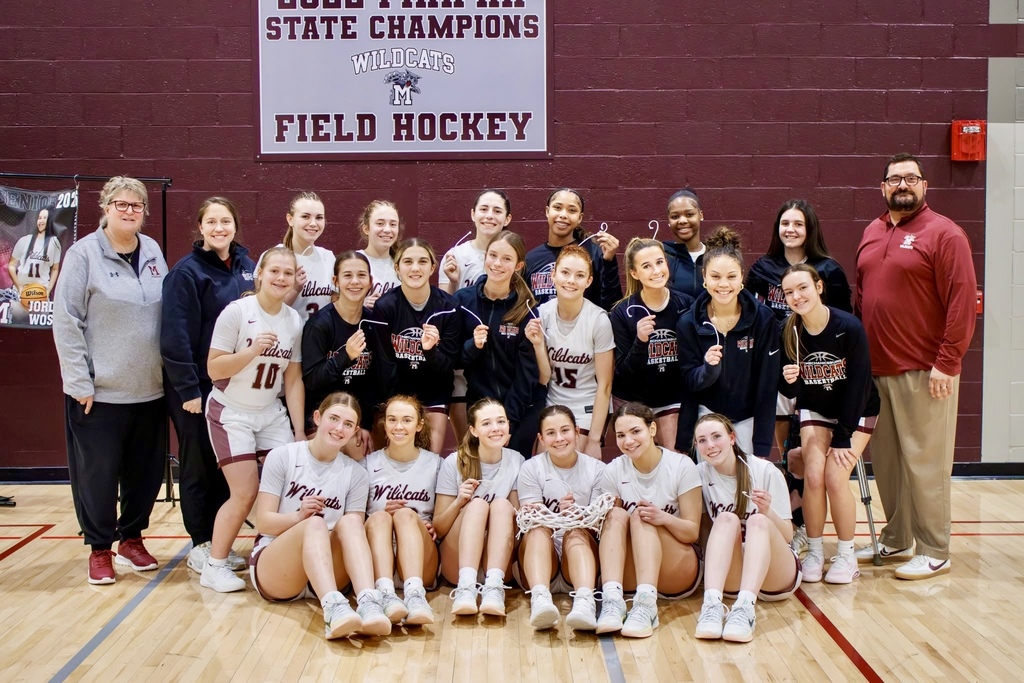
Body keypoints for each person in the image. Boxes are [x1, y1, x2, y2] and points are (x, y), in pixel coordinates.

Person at [855, 152, 977, 579]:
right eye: (894, 179)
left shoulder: (945, 234)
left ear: (925, 185)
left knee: (926, 463)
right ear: (882, 188)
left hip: (927, 371)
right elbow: (861, 297)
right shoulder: (872, 231)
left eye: (911, 178)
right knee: (887, 463)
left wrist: (948, 361)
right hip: (877, 371)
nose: (902, 184)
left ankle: (934, 547)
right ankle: (897, 537)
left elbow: (963, 301)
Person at [52, 176, 168, 584]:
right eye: (121, 204)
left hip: (149, 390)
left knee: (145, 473)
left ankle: (131, 539)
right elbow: (66, 321)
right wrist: (79, 381)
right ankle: (100, 547)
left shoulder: (152, 250)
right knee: (97, 475)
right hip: (98, 394)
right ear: (105, 207)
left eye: (137, 205)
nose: (130, 211)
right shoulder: (83, 254)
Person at [161, 197, 256, 576]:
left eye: (226, 221)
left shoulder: (248, 267)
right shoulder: (186, 274)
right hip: (198, 389)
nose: (219, 228)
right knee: (198, 464)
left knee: (225, 465)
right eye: (212, 222)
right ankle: (200, 542)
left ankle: (221, 541)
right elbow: (174, 337)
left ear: (235, 225)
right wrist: (188, 391)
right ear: (200, 228)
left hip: (234, 389)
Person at [202, 247, 306, 593]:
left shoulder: (293, 320)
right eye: (274, 271)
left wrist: (300, 430)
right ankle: (214, 565)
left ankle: (268, 555)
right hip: (231, 410)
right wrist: (251, 351)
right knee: (245, 492)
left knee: (287, 489)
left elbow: (292, 380)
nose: (280, 278)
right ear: (259, 273)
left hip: (270, 413)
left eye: (287, 274)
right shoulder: (237, 312)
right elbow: (214, 369)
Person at [250, 392, 392, 638]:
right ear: (317, 417)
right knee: (314, 523)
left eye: (348, 424)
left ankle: (368, 601)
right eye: (334, 419)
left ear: (355, 430)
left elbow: (353, 534)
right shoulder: (283, 456)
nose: (339, 428)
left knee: (350, 522)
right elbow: (263, 522)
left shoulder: (356, 474)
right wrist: (299, 517)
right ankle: (333, 609)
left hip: (329, 566)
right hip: (279, 564)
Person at [778, 264, 877, 584]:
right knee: (814, 474)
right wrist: (789, 382)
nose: (796, 296)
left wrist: (843, 436)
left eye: (802, 288)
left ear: (818, 287)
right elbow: (793, 392)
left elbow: (859, 384)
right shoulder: (789, 330)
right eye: (789, 292)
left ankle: (847, 555)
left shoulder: (848, 326)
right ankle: (817, 551)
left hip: (857, 409)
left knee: (835, 477)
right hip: (816, 411)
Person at [745, 199, 852, 465]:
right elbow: (747, 311)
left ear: (810, 229)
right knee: (782, 422)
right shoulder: (762, 267)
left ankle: (809, 485)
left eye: (798, 224)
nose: (790, 229)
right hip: (777, 358)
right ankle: (789, 472)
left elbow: (844, 321)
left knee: (810, 438)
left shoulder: (829, 269)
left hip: (817, 360)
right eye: (785, 223)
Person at [595, 402, 703, 638]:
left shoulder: (681, 465)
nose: (628, 441)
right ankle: (613, 599)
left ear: (652, 429)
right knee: (615, 514)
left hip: (678, 567)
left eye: (636, 431)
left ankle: (646, 606)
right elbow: (610, 531)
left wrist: (661, 518)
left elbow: (692, 532)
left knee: (642, 517)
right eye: (621, 435)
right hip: (634, 570)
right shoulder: (613, 471)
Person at [692, 413, 800, 643]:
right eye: (702, 440)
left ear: (732, 438)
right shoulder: (699, 474)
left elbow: (788, 536)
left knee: (758, 521)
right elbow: (702, 532)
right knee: (725, 519)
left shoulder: (764, 470)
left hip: (775, 574)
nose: (710, 445)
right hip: (734, 572)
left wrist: (767, 510)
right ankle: (711, 605)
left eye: (716, 436)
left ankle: (744, 609)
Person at [676, 227, 781, 457]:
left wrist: (762, 445)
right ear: (704, 277)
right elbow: (689, 383)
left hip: (748, 420)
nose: (723, 284)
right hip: (706, 418)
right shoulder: (688, 322)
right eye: (715, 276)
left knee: (747, 488)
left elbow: (767, 386)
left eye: (731, 276)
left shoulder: (763, 320)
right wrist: (708, 370)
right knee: (710, 490)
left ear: (742, 276)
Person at [452, 230, 548, 456]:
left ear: (518, 265)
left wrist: (508, 422)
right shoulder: (463, 301)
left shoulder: (526, 309)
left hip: (521, 408)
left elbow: (528, 374)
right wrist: (472, 346)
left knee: (514, 474)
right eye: (493, 256)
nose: (497, 263)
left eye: (506, 259)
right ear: (485, 256)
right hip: (480, 406)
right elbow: (453, 359)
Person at [516, 405, 605, 630]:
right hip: (541, 560)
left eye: (565, 430)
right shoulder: (531, 468)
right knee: (537, 529)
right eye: (551, 433)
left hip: (579, 560)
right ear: (541, 439)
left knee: (576, 531)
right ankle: (540, 599)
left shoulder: (597, 469)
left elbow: (600, 526)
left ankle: (585, 601)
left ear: (576, 432)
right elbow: (530, 517)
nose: (559, 439)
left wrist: (579, 515)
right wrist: (555, 515)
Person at [301, 251, 397, 457]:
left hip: (359, 417)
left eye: (361, 275)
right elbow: (312, 380)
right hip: (323, 415)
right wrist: (346, 355)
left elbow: (375, 381)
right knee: (349, 452)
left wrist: (363, 423)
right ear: (336, 281)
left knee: (375, 447)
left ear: (370, 281)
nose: (355, 281)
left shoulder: (374, 323)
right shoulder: (320, 324)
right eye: (347, 275)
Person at [433, 398, 523, 618]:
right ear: (473, 430)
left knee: (502, 506)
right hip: (458, 561)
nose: (495, 428)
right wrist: (459, 502)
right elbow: (439, 528)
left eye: (501, 421)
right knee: (478, 505)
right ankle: (466, 588)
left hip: (500, 563)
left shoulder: (517, 460)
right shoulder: (454, 462)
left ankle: (494, 588)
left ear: (508, 425)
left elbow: (520, 527)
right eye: (486, 423)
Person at [372, 238, 461, 453]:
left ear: (432, 267)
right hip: (396, 393)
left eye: (422, 262)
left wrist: (430, 351)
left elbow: (448, 365)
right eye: (408, 262)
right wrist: (398, 406)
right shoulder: (384, 307)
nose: (415, 268)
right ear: (397, 268)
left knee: (429, 460)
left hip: (434, 394)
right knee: (395, 456)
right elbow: (385, 364)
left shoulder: (448, 307)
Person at [363, 395, 441, 626]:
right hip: (377, 557)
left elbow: (445, 519)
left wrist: (431, 524)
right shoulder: (367, 464)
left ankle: (415, 596)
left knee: (407, 514)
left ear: (419, 425)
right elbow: (353, 520)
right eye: (392, 420)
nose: (398, 427)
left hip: (421, 558)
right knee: (379, 516)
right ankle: (385, 595)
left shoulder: (437, 464)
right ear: (383, 424)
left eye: (407, 420)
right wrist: (380, 510)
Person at [610, 238, 694, 448]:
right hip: (632, 398)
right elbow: (622, 373)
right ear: (634, 273)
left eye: (659, 262)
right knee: (639, 458)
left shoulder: (686, 304)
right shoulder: (622, 312)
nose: (656, 270)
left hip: (671, 397)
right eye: (646, 266)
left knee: (674, 457)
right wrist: (640, 341)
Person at [534, 246, 615, 460]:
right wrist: (537, 344)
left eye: (580, 275)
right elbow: (542, 377)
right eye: (565, 272)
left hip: (587, 405)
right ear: (553, 275)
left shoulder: (598, 320)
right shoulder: (541, 315)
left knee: (578, 458)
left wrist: (595, 439)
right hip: (553, 402)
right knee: (543, 460)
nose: (571, 280)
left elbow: (605, 386)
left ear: (588, 281)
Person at [524, 188, 621, 310]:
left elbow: (612, 306)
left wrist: (609, 262)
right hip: (541, 328)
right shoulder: (532, 258)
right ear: (547, 211)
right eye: (557, 208)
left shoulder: (594, 253)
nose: (563, 215)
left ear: (580, 218)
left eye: (572, 210)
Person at [439, 189, 512, 294]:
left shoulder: (513, 258)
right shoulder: (455, 256)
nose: (489, 216)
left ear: (507, 219)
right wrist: (453, 282)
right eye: (483, 209)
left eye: (497, 211)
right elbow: (445, 306)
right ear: (473, 214)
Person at [279, 191, 335, 321]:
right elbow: (265, 311)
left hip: (320, 339)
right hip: (286, 338)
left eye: (319, 218)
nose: (313, 223)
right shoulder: (273, 257)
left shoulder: (329, 257)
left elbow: (337, 303)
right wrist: (294, 290)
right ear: (290, 219)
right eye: (305, 217)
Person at [356, 200, 402, 309]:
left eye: (393, 224)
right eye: (380, 223)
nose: (387, 229)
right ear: (366, 229)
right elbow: (336, 302)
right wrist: (358, 305)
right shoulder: (352, 261)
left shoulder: (403, 264)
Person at [661, 188, 706, 299]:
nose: (682, 221)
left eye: (689, 214)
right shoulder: (661, 257)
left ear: (701, 215)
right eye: (675, 217)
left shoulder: (717, 255)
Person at [8, 206, 61, 299]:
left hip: (41, 293)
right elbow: (11, 265)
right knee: (15, 313)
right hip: (20, 292)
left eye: (45, 218)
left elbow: (55, 269)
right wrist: (19, 286)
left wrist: (48, 290)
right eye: (39, 218)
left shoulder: (54, 243)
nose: (41, 221)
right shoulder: (24, 240)